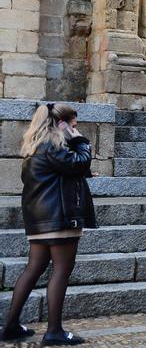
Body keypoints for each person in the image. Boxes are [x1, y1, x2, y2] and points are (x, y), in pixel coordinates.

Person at [2, 104, 97, 345]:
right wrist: (81, 141)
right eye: (73, 125)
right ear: (61, 124)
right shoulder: (54, 147)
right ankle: (54, 331)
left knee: (33, 270)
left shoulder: (34, 148)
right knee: (61, 271)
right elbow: (81, 164)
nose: (75, 130)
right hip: (59, 218)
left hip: (39, 220)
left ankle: (11, 326)